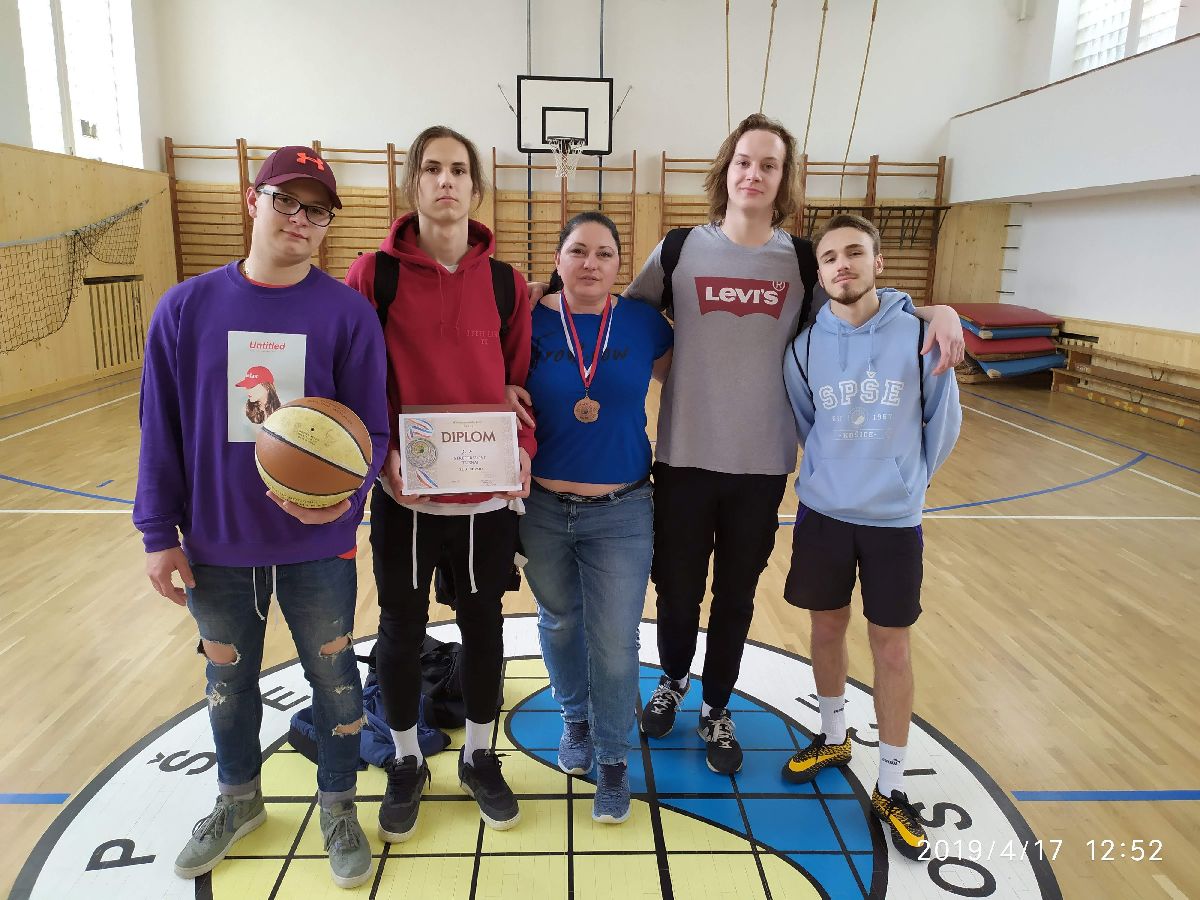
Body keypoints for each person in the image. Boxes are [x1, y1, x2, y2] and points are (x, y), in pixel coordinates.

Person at [623, 113, 966, 775]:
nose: (753, 174)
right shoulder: (677, 249)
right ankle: (672, 679)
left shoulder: (804, 261)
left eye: (769, 165)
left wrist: (936, 310)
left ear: (784, 180)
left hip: (761, 465)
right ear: (725, 169)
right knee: (677, 589)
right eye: (743, 161)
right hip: (684, 457)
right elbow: (633, 321)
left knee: (736, 595)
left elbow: (859, 305)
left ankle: (716, 706)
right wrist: (675, 373)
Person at [134, 145, 389, 889]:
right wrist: (158, 533)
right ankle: (239, 799)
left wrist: (344, 499)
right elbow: (159, 428)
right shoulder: (185, 309)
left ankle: (338, 807)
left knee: (336, 678)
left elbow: (372, 431)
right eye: (286, 201)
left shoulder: (347, 313)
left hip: (318, 544)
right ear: (253, 200)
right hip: (217, 544)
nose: (300, 219)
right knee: (227, 684)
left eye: (318, 210)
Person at [344, 125, 534, 841]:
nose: (446, 180)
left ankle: (481, 757)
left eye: (458, 169)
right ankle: (404, 759)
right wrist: (382, 451)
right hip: (407, 494)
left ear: (476, 189)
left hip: (486, 499)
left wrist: (521, 451)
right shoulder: (374, 275)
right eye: (432, 169)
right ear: (413, 184)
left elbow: (521, 388)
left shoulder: (506, 283)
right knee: (400, 629)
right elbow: (355, 378)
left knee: (484, 627)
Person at [780, 213, 961, 860]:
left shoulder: (919, 335)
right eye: (830, 257)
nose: (843, 265)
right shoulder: (804, 349)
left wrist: (902, 483)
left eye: (855, 253)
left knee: (892, 648)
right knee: (826, 629)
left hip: (893, 522)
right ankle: (834, 737)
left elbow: (942, 424)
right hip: (824, 515)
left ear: (878, 263)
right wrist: (836, 476)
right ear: (820, 273)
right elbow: (808, 424)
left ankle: (891, 784)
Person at [509, 212, 672, 824]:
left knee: (614, 641)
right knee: (558, 623)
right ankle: (574, 718)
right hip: (542, 507)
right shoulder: (525, 319)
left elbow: (702, 374)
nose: (591, 263)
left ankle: (612, 758)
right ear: (557, 259)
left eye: (604, 253)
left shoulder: (644, 323)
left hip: (623, 510)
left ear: (619, 265)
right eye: (578, 250)